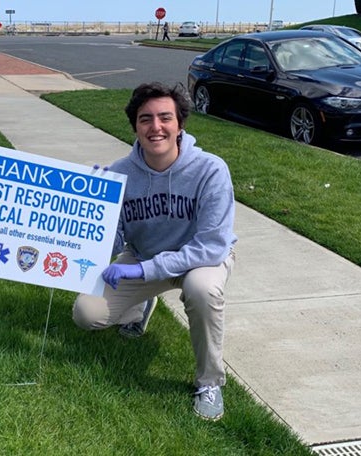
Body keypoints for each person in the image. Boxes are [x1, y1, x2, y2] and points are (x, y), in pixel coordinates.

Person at [72, 82, 237, 421]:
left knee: (202, 290)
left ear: (180, 124)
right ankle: (140, 306)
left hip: (199, 261)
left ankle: (209, 382)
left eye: (165, 117)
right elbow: (113, 242)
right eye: (145, 119)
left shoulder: (210, 170)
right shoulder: (120, 173)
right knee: (86, 314)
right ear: (135, 126)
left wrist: (142, 272)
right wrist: (93, 206)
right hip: (144, 257)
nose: (156, 127)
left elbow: (212, 245)